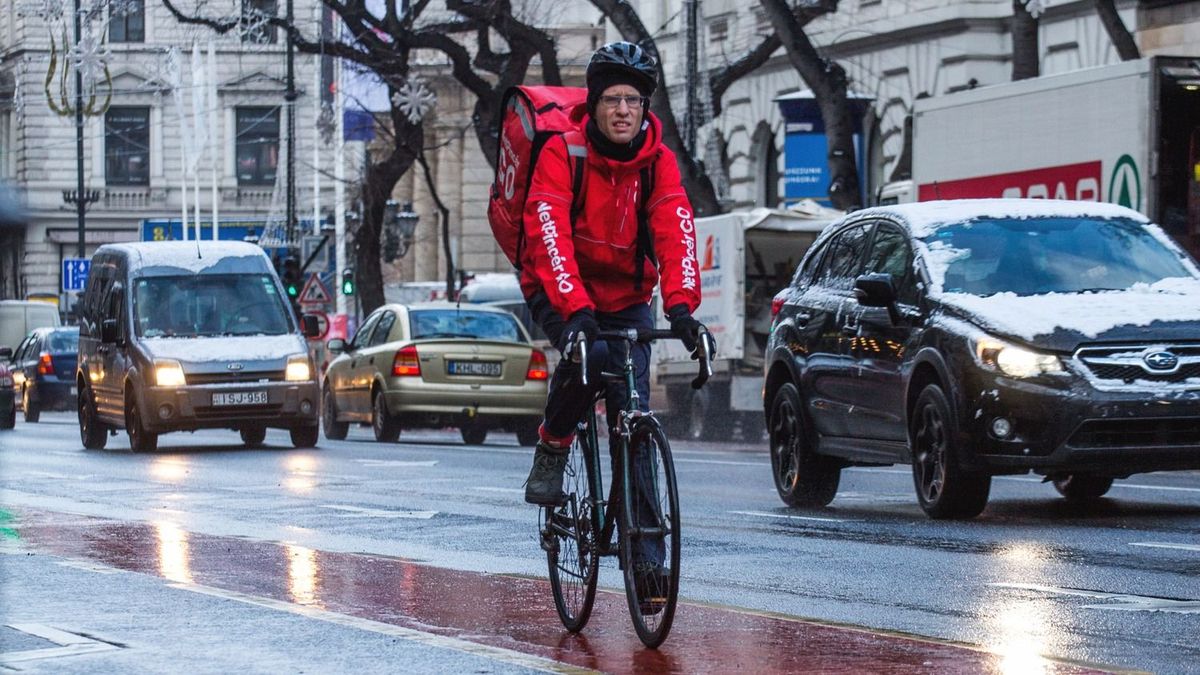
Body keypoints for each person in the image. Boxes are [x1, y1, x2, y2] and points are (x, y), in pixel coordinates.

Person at [518, 41, 706, 604]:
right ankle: (554, 444)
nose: (624, 110)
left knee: (636, 423)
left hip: (626, 296)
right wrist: (575, 314)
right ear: (593, 105)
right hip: (557, 283)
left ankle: (647, 565)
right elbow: (549, 234)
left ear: (645, 109)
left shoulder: (659, 161)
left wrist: (682, 310)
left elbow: (676, 230)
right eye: (612, 100)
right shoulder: (562, 152)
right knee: (591, 356)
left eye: (634, 100)